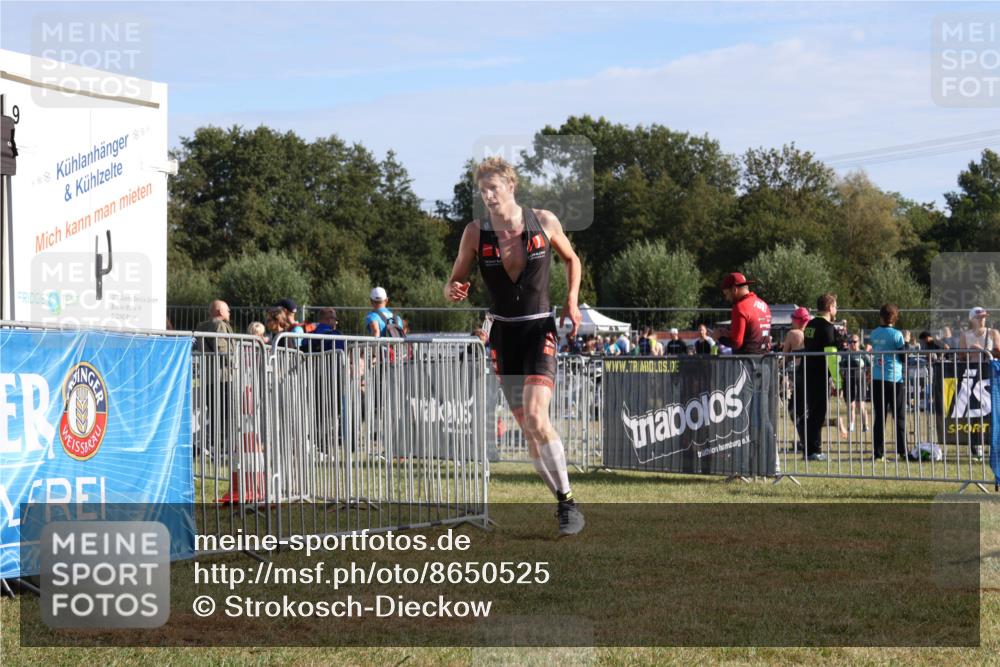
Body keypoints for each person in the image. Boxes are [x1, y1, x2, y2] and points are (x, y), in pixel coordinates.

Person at [443, 155, 584, 536]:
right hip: (503, 336)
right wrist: (452, 289)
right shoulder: (475, 232)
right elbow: (453, 280)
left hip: (539, 329)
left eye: (493, 188)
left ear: (510, 186)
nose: (487, 196)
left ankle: (567, 503)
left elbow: (572, 260)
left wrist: (571, 300)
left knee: (538, 418)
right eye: (482, 190)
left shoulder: (544, 221)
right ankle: (564, 500)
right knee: (528, 431)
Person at [802, 294, 841, 461]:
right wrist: (838, 380)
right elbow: (831, 356)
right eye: (836, 306)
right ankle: (814, 451)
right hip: (820, 375)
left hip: (808, 372)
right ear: (830, 307)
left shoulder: (810, 325)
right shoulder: (827, 328)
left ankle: (810, 449)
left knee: (813, 413)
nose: (836, 309)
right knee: (818, 414)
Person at [870, 303, 907, 461]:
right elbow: (903, 357)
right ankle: (902, 451)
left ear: (881, 316)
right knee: (899, 416)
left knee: (880, 417)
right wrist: (907, 343)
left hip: (877, 378)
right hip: (894, 378)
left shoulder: (874, 333)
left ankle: (878, 453)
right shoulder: (897, 335)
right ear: (895, 318)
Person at [720, 272, 772, 353]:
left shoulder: (740, 307)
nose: (726, 298)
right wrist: (729, 333)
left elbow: (736, 343)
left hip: (746, 359)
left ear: (734, 290)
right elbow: (752, 335)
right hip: (765, 358)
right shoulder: (764, 305)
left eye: (726, 294)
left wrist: (719, 337)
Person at [840, 333, 870, 434]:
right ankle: (851, 426)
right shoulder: (844, 354)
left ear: (859, 343)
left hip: (860, 381)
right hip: (848, 381)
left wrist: (867, 379)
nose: (852, 344)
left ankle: (865, 425)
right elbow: (840, 368)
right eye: (850, 342)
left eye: (854, 342)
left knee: (860, 405)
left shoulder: (863, 354)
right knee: (851, 405)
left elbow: (870, 367)